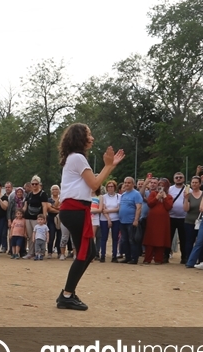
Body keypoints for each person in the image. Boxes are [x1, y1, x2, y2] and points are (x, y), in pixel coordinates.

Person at [56, 123, 124, 310]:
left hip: (75, 210)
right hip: (75, 210)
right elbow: (95, 185)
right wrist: (108, 166)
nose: (92, 138)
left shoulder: (75, 158)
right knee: (86, 253)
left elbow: (94, 185)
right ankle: (66, 295)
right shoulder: (77, 158)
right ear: (80, 137)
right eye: (89, 134)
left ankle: (68, 293)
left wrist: (109, 167)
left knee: (90, 252)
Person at [117, 176, 142, 265]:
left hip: (131, 221)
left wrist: (136, 220)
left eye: (129, 183)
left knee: (132, 240)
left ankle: (134, 258)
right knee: (124, 240)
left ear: (133, 184)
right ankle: (127, 257)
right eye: (125, 183)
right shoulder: (123, 194)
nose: (126, 184)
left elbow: (138, 208)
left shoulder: (136, 194)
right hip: (122, 221)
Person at [167, 172, 188, 263]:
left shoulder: (188, 189)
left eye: (180, 177)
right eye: (177, 177)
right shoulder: (169, 189)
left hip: (184, 217)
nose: (178, 179)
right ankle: (166, 255)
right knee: (169, 238)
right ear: (173, 179)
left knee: (183, 239)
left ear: (183, 179)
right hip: (171, 217)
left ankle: (184, 257)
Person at [181, 175, 203, 266]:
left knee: (201, 241)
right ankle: (189, 259)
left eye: (196, 182)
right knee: (189, 241)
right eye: (192, 182)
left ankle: (201, 259)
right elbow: (186, 209)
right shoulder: (188, 195)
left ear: (200, 184)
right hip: (189, 221)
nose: (194, 184)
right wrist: (186, 198)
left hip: (201, 222)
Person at [98, 180, 120, 262]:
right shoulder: (103, 197)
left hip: (116, 219)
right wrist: (108, 219)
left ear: (115, 187)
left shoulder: (119, 196)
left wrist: (109, 211)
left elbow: (118, 208)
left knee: (115, 238)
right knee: (104, 238)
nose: (110, 188)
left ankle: (114, 255)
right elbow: (103, 209)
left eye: (112, 186)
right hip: (104, 219)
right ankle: (102, 255)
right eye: (109, 186)